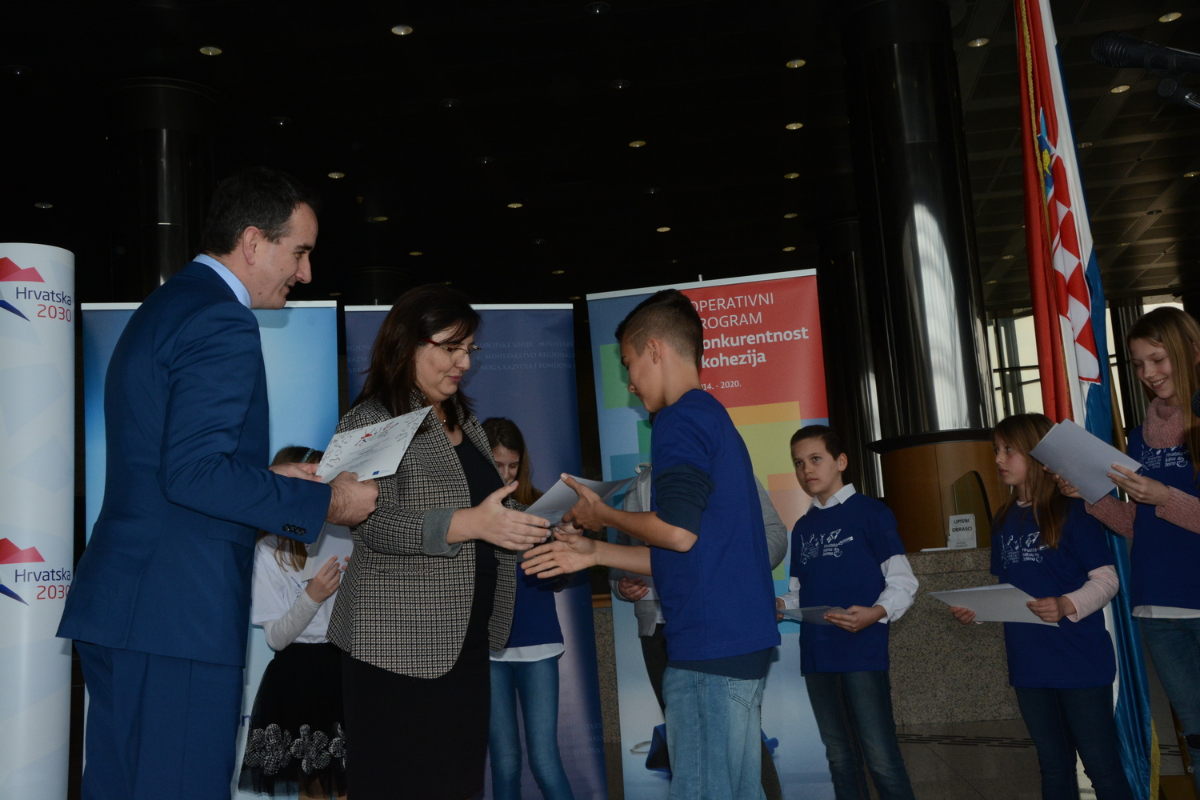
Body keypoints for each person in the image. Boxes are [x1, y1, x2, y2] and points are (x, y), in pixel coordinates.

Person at [57, 167, 378, 800]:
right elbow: (193, 474)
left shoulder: (167, 306)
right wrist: (330, 499)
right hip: (179, 615)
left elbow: (167, 465)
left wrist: (265, 479)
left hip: (129, 606)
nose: (306, 273)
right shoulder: (221, 320)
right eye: (299, 252)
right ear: (253, 241)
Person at [523, 288, 780, 800]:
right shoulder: (712, 416)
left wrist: (602, 515)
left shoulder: (679, 419)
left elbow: (677, 533)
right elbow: (690, 551)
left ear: (655, 350)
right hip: (738, 645)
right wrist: (595, 553)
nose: (630, 383)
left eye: (628, 364)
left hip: (708, 651)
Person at [329, 285, 551, 800]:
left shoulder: (464, 421)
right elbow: (369, 524)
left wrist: (546, 522)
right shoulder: (371, 419)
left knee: (457, 785)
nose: (464, 363)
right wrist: (467, 524)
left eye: (469, 349)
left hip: (463, 645)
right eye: (451, 348)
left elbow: (487, 509)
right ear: (408, 343)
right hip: (394, 648)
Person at [1057, 306, 1200, 793]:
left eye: (1158, 360)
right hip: (1157, 604)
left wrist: (1164, 496)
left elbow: (1164, 505)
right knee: (1195, 732)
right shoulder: (1137, 437)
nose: (1149, 373)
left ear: (1191, 352)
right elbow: (1142, 526)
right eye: (1139, 365)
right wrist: (1093, 496)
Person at [955, 413, 1131, 800]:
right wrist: (978, 612)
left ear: (1039, 455)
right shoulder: (1003, 520)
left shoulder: (1074, 511)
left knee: (1101, 766)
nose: (999, 459)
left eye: (1009, 450)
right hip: (1029, 664)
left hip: (1080, 661)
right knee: (1052, 765)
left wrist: (1067, 603)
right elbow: (1009, 591)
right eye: (996, 450)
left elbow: (1107, 580)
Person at [609, 457, 788, 798]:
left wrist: (730, 567)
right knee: (684, 738)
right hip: (659, 628)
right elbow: (621, 555)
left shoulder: (727, 470)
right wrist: (621, 585)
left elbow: (774, 533)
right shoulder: (639, 486)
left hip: (718, 620)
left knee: (742, 737)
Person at [775, 425, 918, 800]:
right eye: (798, 463)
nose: (807, 469)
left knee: (881, 758)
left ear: (841, 461)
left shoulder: (872, 513)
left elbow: (903, 581)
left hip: (862, 652)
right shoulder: (802, 527)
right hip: (817, 653)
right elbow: (798, 593)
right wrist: (781, 606)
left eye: (815, 459)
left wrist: (876, 612)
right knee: (839, 758)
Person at [240, 446, 350, 799]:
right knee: (312, 787)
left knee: (353, 782)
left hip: (347, 668)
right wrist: (312, 596)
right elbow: (276, 638)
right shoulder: (268, 550)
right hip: (299, 677)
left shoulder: (345, 536)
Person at [481, 417, 575, 800]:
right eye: (498, 465)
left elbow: (558, 579)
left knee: (545, 759)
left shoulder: (542, 507)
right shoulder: (467, 514)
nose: (506, 474)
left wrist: (564, 547)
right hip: (488, 647)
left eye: (513, 466)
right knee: (504, 763)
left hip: (537, 642)